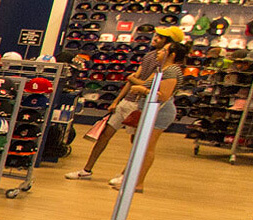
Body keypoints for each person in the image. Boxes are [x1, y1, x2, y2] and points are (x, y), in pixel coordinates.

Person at [66, 27, 185, 184]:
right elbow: (134, 80)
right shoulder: (152, 56)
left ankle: (126, 175)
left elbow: (143, 83)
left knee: (137, 143)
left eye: (161, 37)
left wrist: (138, 84)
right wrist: (117, 100)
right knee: (105, 135)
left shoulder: (166, 67)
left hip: (140, 104)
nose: (156, 38)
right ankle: (87, 170)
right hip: (129, 101)